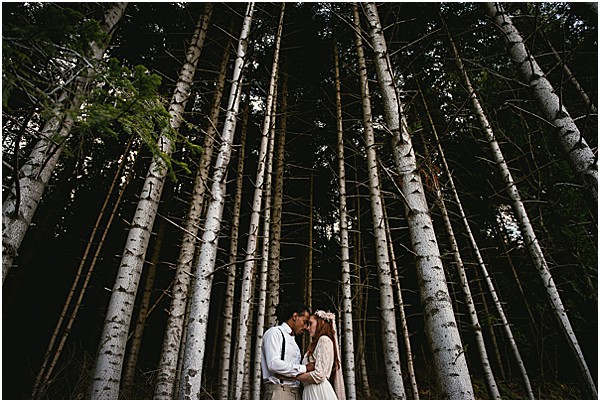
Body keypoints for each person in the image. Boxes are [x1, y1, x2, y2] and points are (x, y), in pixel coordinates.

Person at [261, 302, 314, 400]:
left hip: (295, 393)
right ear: (295, 316)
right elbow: (273, 364)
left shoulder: (293, 339)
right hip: (280, 392)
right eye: (304, 322)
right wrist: (304, 368)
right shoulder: (274, 333)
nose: (306, 327)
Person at [296, 310, 346, 400]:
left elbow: (319, 374)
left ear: (321, 323)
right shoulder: (316, 344)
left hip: (319, 391)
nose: (307, 328)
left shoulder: (324, 340)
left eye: (310, 324)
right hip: (310, 391)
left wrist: (294, 376)